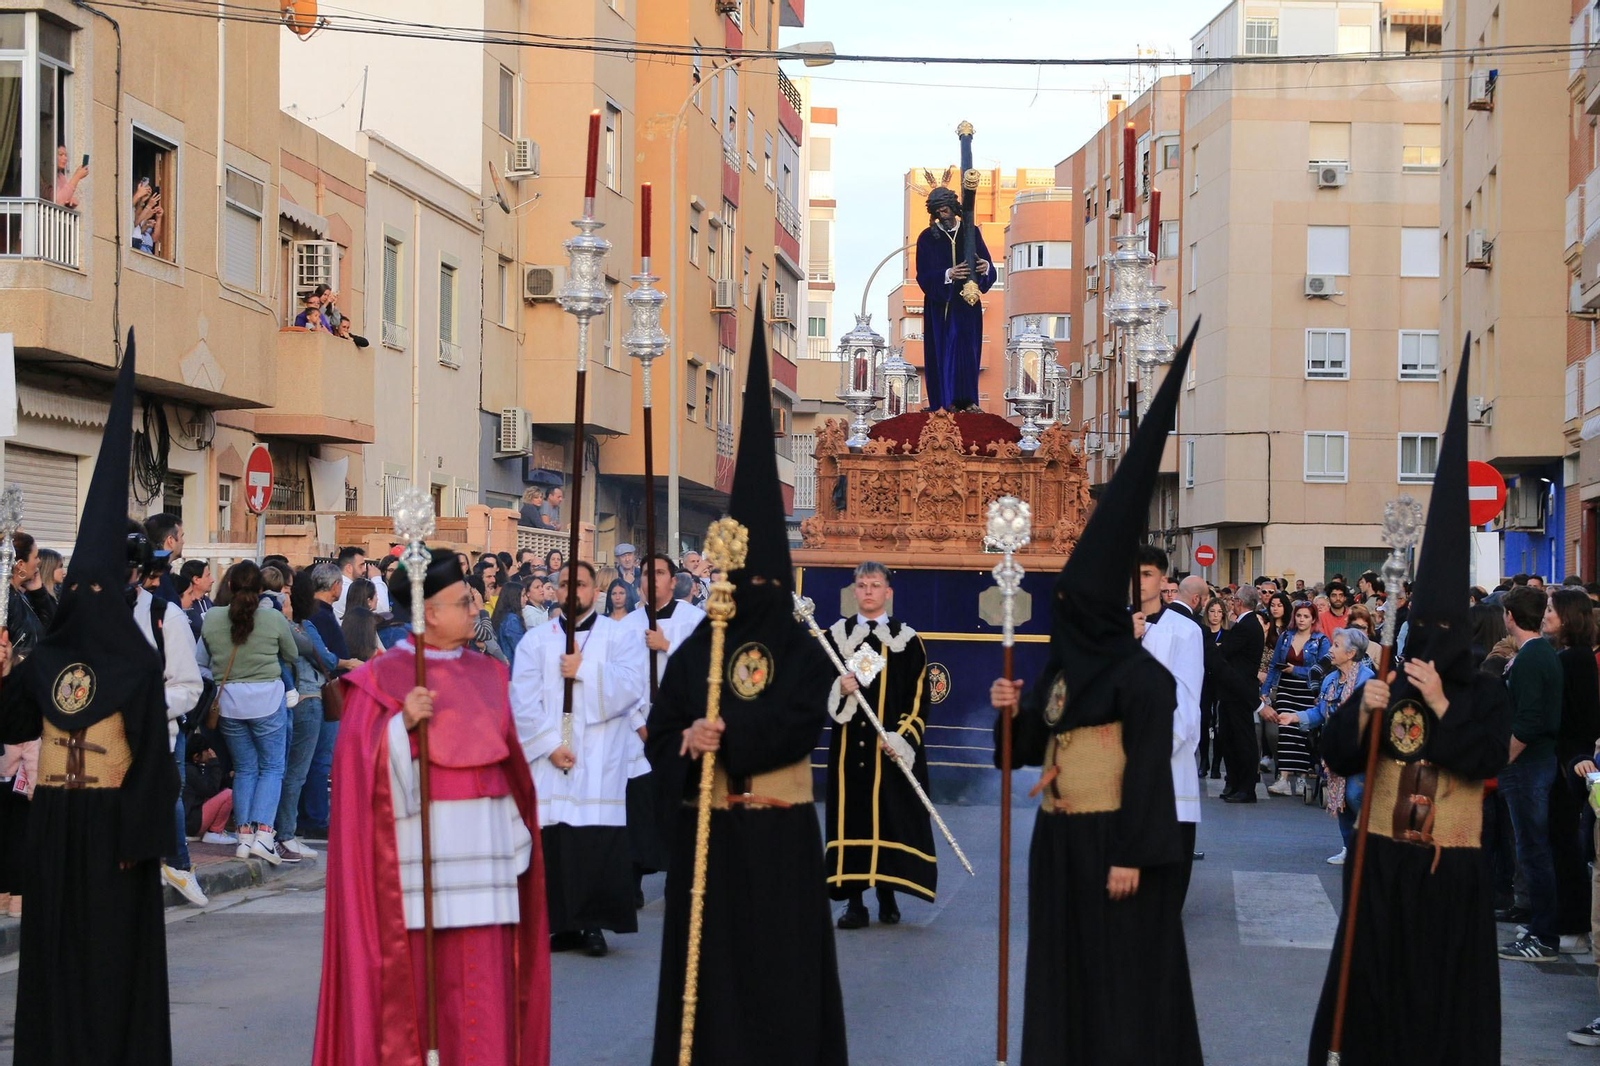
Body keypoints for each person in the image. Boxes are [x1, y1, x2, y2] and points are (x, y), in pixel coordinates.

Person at [989, 320, 1201, 1065]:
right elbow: (1022, 754)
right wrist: (1008, 714)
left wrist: (1133, 857)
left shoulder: (1143, 678)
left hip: (1116, 847)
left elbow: (1146, 773)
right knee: (1064, 977)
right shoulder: (1060, 671)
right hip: (1058, 845)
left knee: (1120, 986)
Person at [646, 298, 847, 1065]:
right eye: (744, 576)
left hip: (777, 836)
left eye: (764, 577)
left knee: (779, 984)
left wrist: (726, 734)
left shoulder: (800, 645)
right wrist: (686, 740)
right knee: (710, 984)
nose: (752, 588)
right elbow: (665, 726)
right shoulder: (702, 642)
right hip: (710, 834)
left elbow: (799, 723)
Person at [1306, 344, 1511, 1066]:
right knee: (1374, 997)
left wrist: (1442, 702)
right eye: (1427, 627)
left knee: (1440, 1006)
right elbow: (1337, 755)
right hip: (1382, 861)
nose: (1433, 640)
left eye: (1446, 630)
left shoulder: (1485, 691)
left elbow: (1483, 760)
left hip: (1450, 871)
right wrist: (1365, 708)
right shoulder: (1387, 681)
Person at [0, 333, 181, 1065]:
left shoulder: (137, 665)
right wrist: (7, 672)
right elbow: (13, 722)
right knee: (52, 952)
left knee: (109, 959)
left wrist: (138, 842)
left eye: (98, 587)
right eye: (80, 586)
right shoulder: (47, 658)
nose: (88, 596)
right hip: (54, 825)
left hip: (111, 835)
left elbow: (154, 766)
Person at [312, 549, 550, 1066]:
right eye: (464, 602)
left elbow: (512, 768)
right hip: (417, 873)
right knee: (422, 1001)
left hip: (487, 871)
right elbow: (356, 771)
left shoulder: (491, 674)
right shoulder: (383, 677)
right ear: (430, 613)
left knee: (483, 999)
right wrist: (400, 727)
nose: (476, 609)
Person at [510, 560, 645, 957]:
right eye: (566, 583)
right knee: (557, 843)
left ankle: (593, 925)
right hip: (551, 757)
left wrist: (584, 669)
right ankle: (562, 924)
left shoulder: (619, 636)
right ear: (557, 590)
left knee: (594, 844)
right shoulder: (537, 641)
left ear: (594, 591)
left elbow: (632, 688)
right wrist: (550, 745)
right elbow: (522, 700)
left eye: (581, 584)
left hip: (600, 757)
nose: (573, 590)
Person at [824, 561, 937, 927]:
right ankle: (854, 903)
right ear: (854, 591)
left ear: (888, 592)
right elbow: (817, 688)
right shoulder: (835, 638)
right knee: (852, 819)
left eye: (875, 585)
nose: (868, 591)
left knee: (890, 817)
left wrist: (901, 738)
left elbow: (919, 699)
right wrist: (839, 687)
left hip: (889, 749)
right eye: (862, 585)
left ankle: (887, 894)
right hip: (849, 749)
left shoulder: (907, 640)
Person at [124, 524, 206, 907]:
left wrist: (144, 709)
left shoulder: (164, 615)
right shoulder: (81, 613)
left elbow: (188, 685)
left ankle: (178, 864)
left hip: (154, 735)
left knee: (168, 794)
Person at [199, 561, 299, 865]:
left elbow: (202, 657)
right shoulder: (272, 617)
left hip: (229, 701)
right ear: (261, 588)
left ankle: (243, 836)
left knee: (244, 768)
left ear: (229, 585)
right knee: (272, 767)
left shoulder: (211, 617)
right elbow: (292, 654)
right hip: (267, 698)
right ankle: (264, 836)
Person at [621, 554, 705, 906]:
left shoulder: (694, 620)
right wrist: (640, 725)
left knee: (680, 805)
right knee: (639, 806)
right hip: (638, 728)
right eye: (645, 573)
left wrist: (666, 646)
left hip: (681, 728)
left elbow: (702, 671)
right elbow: (620, 682)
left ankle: (680, 879)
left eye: (658, 573)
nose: (651, 579)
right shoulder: (627, 625)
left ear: (673, 580)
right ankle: (633, 880)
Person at [1495, 584, 1564, 961]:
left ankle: (1543, 936)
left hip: (1528, 766)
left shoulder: (1533, 657)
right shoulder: (1536, 653)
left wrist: (1503, 759)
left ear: (1510, 616)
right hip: (1532, 765)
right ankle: (1540, 928)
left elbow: (1529, 721)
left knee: (1533, 851)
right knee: (1532, 850)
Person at [1267, 627, 1374, 865]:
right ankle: (1349, 848)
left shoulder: (1368, 680)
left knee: (1354, 796)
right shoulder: (1330, 680)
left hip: (1360, 751)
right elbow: (1320, 712)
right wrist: (1294, 717)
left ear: (1351, 653)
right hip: (1336, 752)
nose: (1330, 651)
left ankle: (1369, 844)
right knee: (1341, 801)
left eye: (1336, 646)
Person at [1134, 556, 1206, 888]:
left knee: (1165, 880)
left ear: (1164, 581)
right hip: (1117, 761)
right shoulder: (1110, 627)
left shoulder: (1185, 630)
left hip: (1168, 761)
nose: (1139, 581)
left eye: (1147, 573)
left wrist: (1151, 753)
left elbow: (1187, 699)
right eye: (1133, 574)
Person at [1546, 588, 1599, 954]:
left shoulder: (1574, 659)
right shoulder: (1569, 656)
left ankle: (1574, 925)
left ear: (1568, 617)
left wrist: (1572, 759)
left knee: (1566, 844)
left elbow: (1580, 716)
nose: (1545, 614)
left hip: (1571, 764)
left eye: (1551, 609)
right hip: (1567, 760)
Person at [915, 186, 995, 411]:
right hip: (941, 307)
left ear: (954, 208)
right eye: (938, 212)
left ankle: (968, 400)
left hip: (967, 305)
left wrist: (985, 267)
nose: (943, 215)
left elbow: (987, 264)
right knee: (942, 352)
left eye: (946, 210)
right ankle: (944, 402)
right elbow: (923, 275)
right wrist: (948, 274)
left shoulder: (971, 232)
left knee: (968, 352)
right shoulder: (926, 238)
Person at [280, 574, 336, 859]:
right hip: (308, 697)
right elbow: (325, 658)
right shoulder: (300, 626)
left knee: (281, 769)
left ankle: (278, 830)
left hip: (283, 699)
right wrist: (336, 658)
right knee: (297, 771)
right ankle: (285, 833)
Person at [1264, 602, 1328, 798]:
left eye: (1306, 616)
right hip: (1285, 688)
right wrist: (1265, 690)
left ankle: (1301, 778)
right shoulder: (1285, 636)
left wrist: (1295, 670)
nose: (1302, 620)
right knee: (1285, 731)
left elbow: (1322, 669)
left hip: (1308, 690)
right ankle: (1283, 779)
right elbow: (1274, 664)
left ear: (1313, 619)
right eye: (1299, 615)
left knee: (1302, 732)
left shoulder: (1321, 640)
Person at [1218, 585, 1268, 803]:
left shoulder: (1247, 625)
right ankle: (1235, 782)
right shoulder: (1245, 624)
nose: (1232, 603)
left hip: (1240, 691)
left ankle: (1246, 788)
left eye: (1234, 600)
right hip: (1232, 690)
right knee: (1229, 737)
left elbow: (1224, 650)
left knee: (1242, 739)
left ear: (1239, 602)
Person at [340, 577, 381, 662]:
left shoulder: (342, 623)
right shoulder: (369, 624)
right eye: (376, 595)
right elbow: (380, 652)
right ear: (369, 601)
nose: (377, 599)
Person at [493, 578, 528, 671]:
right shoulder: (512, 619)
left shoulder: (502, 617)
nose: (526, 599)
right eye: (523, 596)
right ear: (514, 597)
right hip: (513, 669)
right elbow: (520, 647)